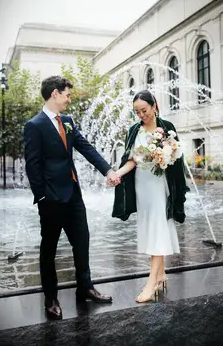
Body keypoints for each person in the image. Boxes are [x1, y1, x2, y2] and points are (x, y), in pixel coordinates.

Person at [24, 76, 119, 320]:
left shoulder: (67, 121)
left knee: (82, 241)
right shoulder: (34, 125)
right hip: (51, 200)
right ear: (55, 94)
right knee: (49, 249)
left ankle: (85, 287)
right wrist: (42, 197)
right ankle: (51, 297)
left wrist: (108, 170)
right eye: (67, 94)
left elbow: (85, 147)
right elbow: (32, 166)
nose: (69, 99)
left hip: (74, 195)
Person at [112, 90, 189, 303]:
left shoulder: (167, 128)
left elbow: (177, 159)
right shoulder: (134, 130)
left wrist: (166, 156)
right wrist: (117, 174)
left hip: (160, 185)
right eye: (137, 112)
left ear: (154, 105)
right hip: (141, 185)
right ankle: (162, 274)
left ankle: (152, 282)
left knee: (157, 226)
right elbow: (132, 160)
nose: (141, 115)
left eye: (144, 110)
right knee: (151, 226)